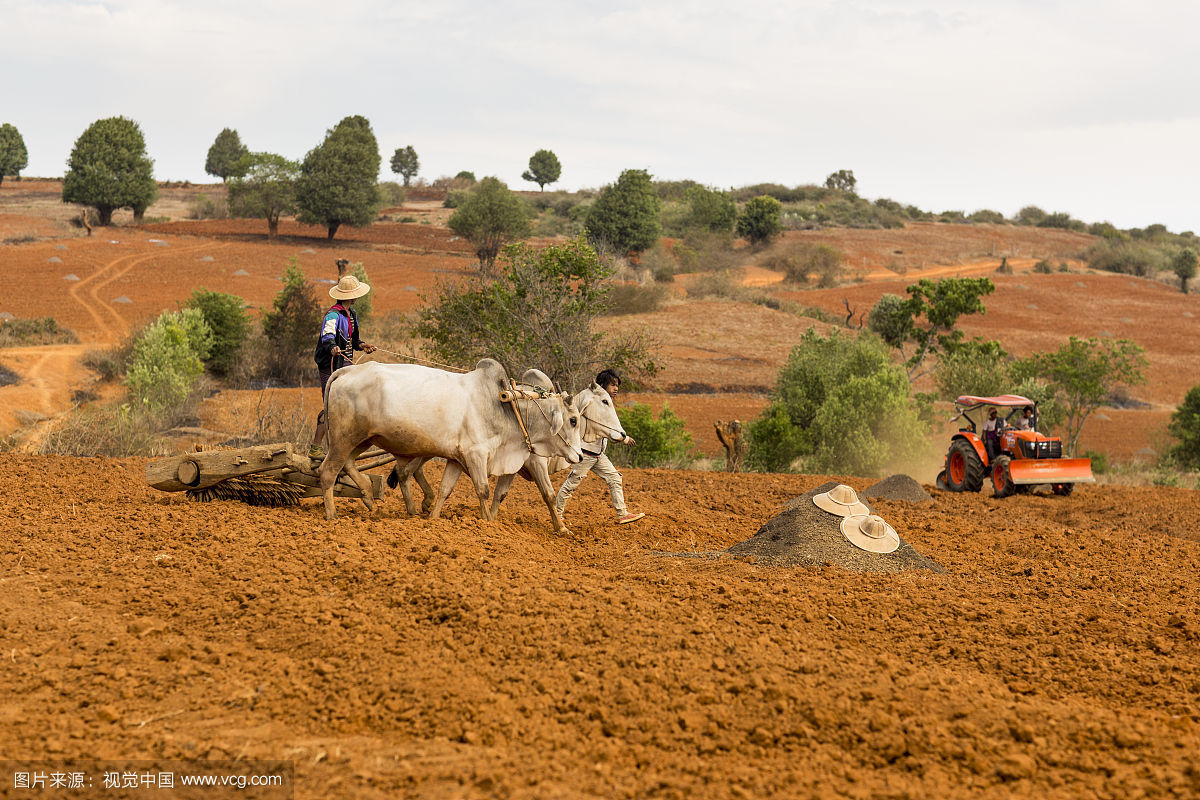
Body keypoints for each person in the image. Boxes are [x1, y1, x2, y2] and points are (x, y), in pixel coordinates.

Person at [555, 369, 644, 525]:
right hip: (585, 453)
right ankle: (557, 514)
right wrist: (624, 439)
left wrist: (623, 438)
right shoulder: (592, 402)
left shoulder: (604, 403)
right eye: (613, 385)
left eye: (617, 385)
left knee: (615, 478)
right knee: (571, 484)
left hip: (598, 454)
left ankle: (622, 514)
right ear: (602, 385)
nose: (616, 389)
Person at [310, 273, 377, 458]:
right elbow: (327, 336)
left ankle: (343, 446)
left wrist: (363, 345)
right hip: (331, 364)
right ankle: (316, 448)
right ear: (351, 296)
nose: (356, 296)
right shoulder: (333, 315)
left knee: (347, 404)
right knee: (331, 405)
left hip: (346, 363)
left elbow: (353, 340)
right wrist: (332, 348)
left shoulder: (352, 315)